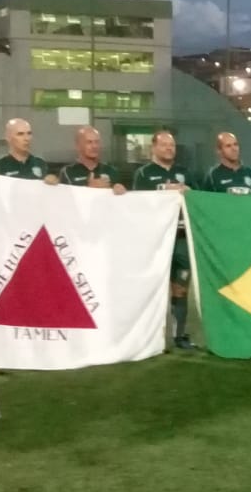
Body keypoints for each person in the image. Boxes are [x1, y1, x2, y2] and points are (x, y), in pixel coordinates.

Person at [131, 131, 195, 351]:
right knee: (153, 288)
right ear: (154, 148)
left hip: (181, 238)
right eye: (165, 144)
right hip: (155, 239)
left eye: (172, 145)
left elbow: (198, 202)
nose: (169, 148)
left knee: (180, 288)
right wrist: (162, 192)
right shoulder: (144, 174)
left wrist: (189, 192)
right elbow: (136, 205)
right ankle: (150, 337)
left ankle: (179, 336)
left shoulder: (184, 173)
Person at [59, 126, 126, 194]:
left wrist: (118, 190)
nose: (94, 146)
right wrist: (88, 188)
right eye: (89, 142)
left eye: (97, 142)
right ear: (78, 146)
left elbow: (120, 200)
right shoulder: (67, 172)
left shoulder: (112, 171)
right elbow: (63, 199)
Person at [0, 118, 58, 183]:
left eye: (29, 133)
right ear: (8, 137)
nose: (26, 138)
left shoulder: (40, 163)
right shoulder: (0, 165)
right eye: (20, 134)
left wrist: (52, 181)